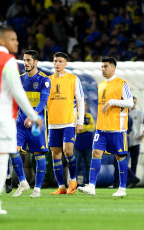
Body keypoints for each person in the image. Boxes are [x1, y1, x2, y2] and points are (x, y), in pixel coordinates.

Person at [0, 27, 43, 215]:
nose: (16, 42)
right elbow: (18, 93)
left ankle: (25, 183)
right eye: (13, 39)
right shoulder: (8, 61)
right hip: (4, 118)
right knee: (2, 162)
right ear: (2, 41)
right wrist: (34, 116)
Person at [78, 57, 133, 197]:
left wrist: (113, 102)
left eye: (106, 66)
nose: (103, 69)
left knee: (120, 157)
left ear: (113, 68)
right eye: (102, 66)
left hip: (117, 128)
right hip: (101, 127)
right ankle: (91, 186)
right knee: (96, 153)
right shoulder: (100, 84)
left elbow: (130, 102)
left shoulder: (122, 83)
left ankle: (122, 188)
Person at [11, 50, 51, 198]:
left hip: (36, 125)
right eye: (24, 60)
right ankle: (23, 182)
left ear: (36, 62)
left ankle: (37, 189)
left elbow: (43, 101)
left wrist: (32, 116)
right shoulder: (20, 79)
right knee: (13, 150)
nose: (26, 63)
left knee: (39, 156)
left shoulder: (44, 80)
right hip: (21, 124)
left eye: (29, 60)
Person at [47, 52, 85, 195]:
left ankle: (73, 180)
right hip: (52, 123)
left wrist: (80, 122)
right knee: (55, 155)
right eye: (55, 61)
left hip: (69, 122)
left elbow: (80, 100)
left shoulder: (73, 79)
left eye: (60, 61)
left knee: (68, 151)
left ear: (66, 64)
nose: (57, 64)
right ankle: (61, 187)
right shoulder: (48, 80)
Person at [74, 101, 95, 186]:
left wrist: (82, 128)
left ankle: (88, 183)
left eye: (84, 105)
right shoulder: (76, 115)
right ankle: (73, 183)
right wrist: (86, 127)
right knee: (75, 165)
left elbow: (93, 127)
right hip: (77, 144)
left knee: (88, 165)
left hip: (88, 145)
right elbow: (75, 127)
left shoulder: (89, 116)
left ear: (86, 107)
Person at [128, 96, 144, 175]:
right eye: (132, 102)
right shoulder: (124, 112)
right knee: (122, 162)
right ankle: (122, 181)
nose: (133, 104)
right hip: (125, 141)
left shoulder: (139, 113)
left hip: (135, 141)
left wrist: (143, 135)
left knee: (134, 162)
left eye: (134, 102)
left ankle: (132, 181)